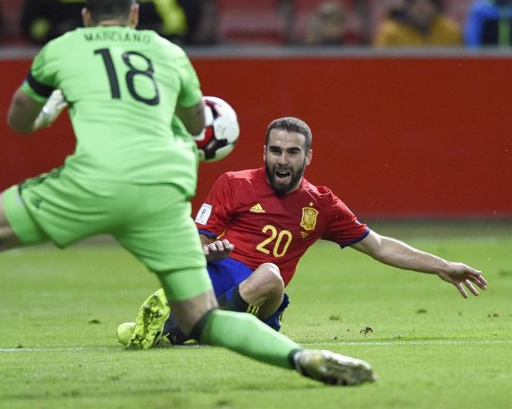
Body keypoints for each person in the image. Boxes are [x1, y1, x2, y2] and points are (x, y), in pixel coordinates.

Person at [0, 0, 376, 391]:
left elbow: (19, 119)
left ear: (86, 17)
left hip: (95, 180)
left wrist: (52, 105)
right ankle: (302, 357)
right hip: (165, 190)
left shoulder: (63, 48)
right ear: (134, 15)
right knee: (201, 318)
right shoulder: (169, 53)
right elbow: (202, 131)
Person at [117, 116, 487, 348]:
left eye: (292, 152)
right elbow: (194, 244)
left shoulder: (321, 205)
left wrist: (441, 266)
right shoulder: (234, 183)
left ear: (308, 157)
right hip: (215, 283)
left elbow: (380, 246)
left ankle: (184, 328)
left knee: (271, 275)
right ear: (263, 152)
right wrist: (207, 251)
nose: (282, 159)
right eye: (275, 151)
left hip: (266, 298)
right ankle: (184, 326)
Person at [373, 0, 462, 47]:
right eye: (416, 4)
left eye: (426, 4)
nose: (421, 9)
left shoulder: (450, 31)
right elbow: (379, 65)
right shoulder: (390, 33)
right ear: (407, 6)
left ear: (435, 7)